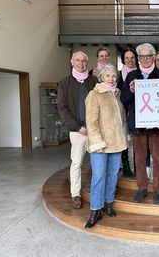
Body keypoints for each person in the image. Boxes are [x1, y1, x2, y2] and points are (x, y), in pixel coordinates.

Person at [121, 43, 159, 205]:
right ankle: (141, 188)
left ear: (154, 57)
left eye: (149, 56)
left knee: (158, 159)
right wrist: (132, 91)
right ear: (138, 58)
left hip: (157, 125)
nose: (145, 59)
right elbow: (124, 99)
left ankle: (157, 190)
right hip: (138, 123)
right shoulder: (132, 75)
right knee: (139, 159)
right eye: (142, 56)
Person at [84, 64, 127, 228]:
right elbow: (91, 122)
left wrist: (124, 138)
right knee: (99, 177)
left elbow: (121, 121)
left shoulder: (116, 94)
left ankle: (109, 203)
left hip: (116, 143)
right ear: (101, 77)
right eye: (108, 75)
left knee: (112, 176)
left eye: (114, 75)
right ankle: (95, 209)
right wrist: (97, 143)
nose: (111, 78)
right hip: (100, 145)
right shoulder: (94, 94)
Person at [57, 51, 98, 209]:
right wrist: (78, 127)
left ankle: (97, 193)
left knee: (98, 163)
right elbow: (62, 109)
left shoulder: (94, 81)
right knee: (77, 163)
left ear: (87, 63)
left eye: (84, 61)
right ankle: (76, 195)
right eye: (78, 60)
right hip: (77, 131)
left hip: (95, 131)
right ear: (72, 62)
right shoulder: (64, 83)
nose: (81, 63)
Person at [118, 48, 139, 177]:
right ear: (123, 60)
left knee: (137, 140)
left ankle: (138, 166)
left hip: (137, 111)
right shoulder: (118, 74)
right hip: (122, 111)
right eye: (127, 58)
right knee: (124, 139)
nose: (130, 60)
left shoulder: (141, 73)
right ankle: (126, 165)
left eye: (132, 57)